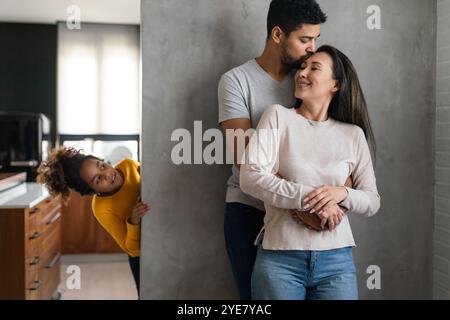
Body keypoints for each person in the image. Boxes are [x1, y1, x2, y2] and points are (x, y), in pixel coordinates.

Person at [240, 45, 381, 300]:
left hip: (337, 262)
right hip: (280, 259)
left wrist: (340, 193)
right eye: (302, 67)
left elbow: (372, 201)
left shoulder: (352, 135)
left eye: (314, 68)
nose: (302, 73)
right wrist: (315, 199)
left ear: (335, 85)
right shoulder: (277, 117)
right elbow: (251, 178)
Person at [218, 0, 327, 299]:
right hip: (250, 209)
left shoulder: (309, 78)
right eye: (305, 39)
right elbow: (244, 160)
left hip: (308, 209)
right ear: (278, 35)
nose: (312, 48)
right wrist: (299, 203)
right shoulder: (236, 81)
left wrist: (320, 203)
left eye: (315, 39)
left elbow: (333, 143)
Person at [37, 147, 149, 297]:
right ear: (92, 191)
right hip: (142, 259)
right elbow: (131, 249)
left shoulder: (129, 165)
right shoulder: (101, 208)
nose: (108, 175)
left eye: (102, 166)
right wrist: (133, 221)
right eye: (97, 179)